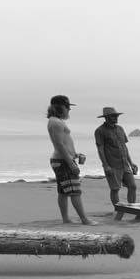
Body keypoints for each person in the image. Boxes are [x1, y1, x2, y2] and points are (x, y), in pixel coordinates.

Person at [46, 95, 97, 225]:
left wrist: (75, 154)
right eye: (67, 107)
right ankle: (84, 219)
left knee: (63, 192)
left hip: (61, 159)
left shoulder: (56, 121)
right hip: (62, 161)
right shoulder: (55, 122)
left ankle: (66, 219)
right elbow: (59, 145)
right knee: (75, 191)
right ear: (60, 107)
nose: (69, 110)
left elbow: (64, 143)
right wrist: (70, 162)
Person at [94, 107, 138, 211]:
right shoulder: (100, 131)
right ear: (107, 118)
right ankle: (118, 210)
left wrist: (131, 163)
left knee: (133, 186)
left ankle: (132, 209)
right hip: (112, 165)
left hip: (125, 164)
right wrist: (105, 165)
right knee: (115, 189)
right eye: (114, 116)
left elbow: (124, 147)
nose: (116, 118)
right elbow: (100, 149)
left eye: (117, 116)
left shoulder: (120, 129)